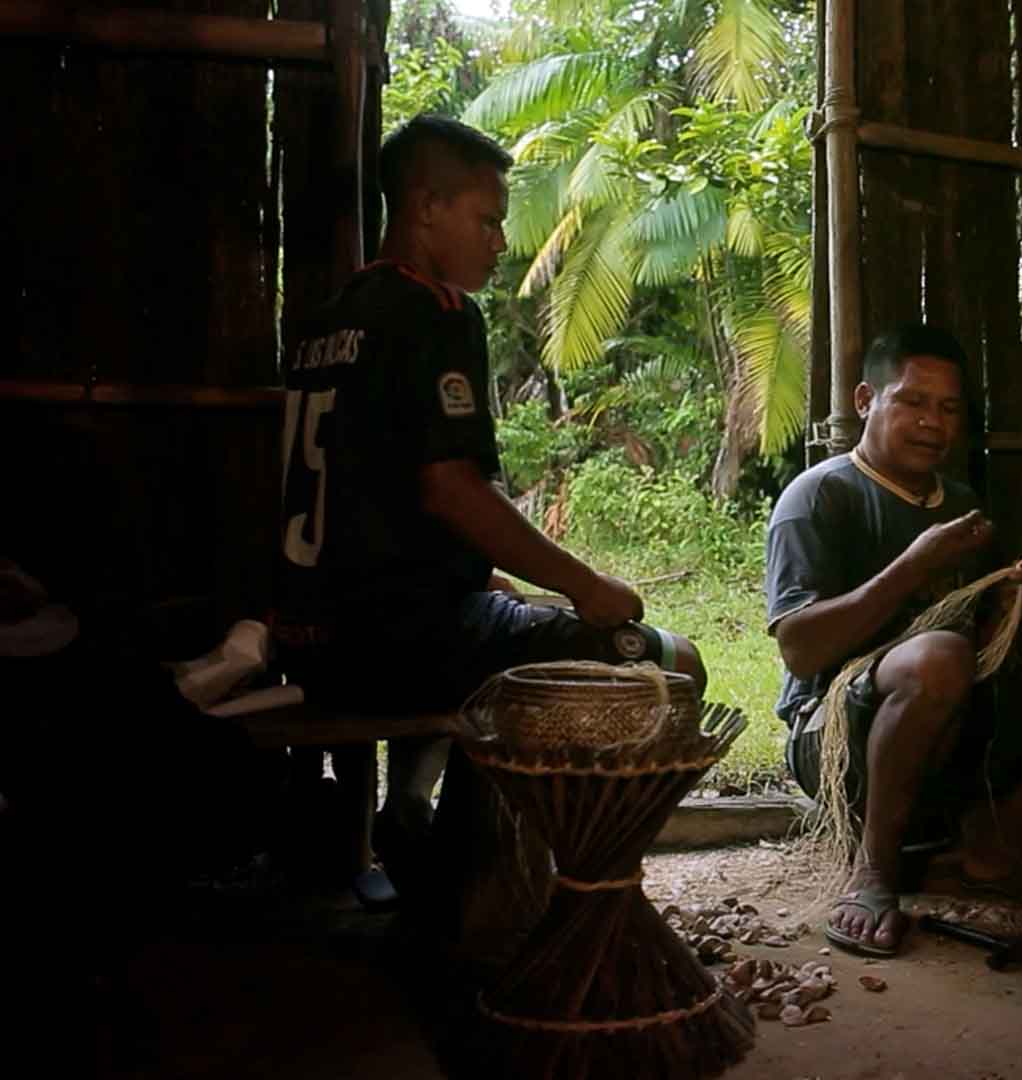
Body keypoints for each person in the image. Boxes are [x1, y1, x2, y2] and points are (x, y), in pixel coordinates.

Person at [271, 115, 703, 906]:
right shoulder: (435, 311)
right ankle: (480, 884)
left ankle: (417, 820)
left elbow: (376, 495)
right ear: (425, 208)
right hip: (399, 646)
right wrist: (586, 586)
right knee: (661, 657)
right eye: (488, 219)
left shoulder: (327, 321)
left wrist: (474, 576)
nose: (501, 241)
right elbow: (453, 488)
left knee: (494, 619)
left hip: (310, 643)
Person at [766, 323, 1022, 957]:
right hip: (839, 745)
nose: (933, 422)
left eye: (949, 408)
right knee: (939, 656)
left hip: (956, 729)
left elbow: (990, 657)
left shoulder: (963, 503)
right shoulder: (819, 497)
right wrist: (913, 565)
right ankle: (874, 871)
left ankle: (996, 839)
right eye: (913, 402)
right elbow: (800, 650)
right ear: (865, 401)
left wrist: (1009, 604)